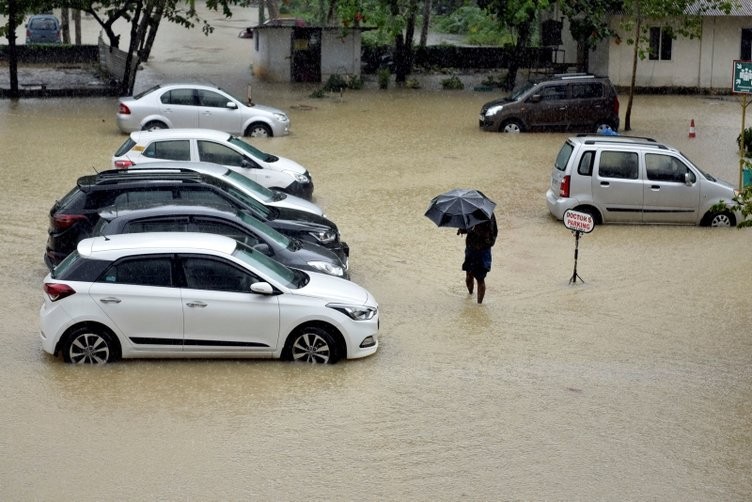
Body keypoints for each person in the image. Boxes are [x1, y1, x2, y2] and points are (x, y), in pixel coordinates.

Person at [457, 213, 498, 304]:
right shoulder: (469, 212)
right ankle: (470, 295)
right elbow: (468, 228)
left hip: (483, 250)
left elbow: (490, 234)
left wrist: (474, 229)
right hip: (471, 248)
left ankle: (479, 304)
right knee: (469, 274)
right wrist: (463, 230)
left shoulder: (488, 215)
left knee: (480, 279)